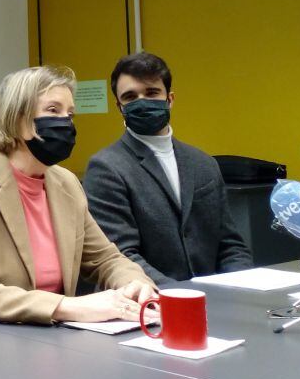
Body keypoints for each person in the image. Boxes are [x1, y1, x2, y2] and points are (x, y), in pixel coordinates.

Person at [0, 65, 157, 327]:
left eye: (70, 114)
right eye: (53, 110)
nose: (66, 123)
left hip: (44, 342)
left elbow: (106, 259)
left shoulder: (66, 183)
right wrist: (66, 306)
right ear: (17, 118)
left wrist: (135, 283)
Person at [84, 51, 252, 285]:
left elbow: (231, 245)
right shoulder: (106, 167)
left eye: (152, 93)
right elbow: (121, 255)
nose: (142, 101)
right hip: (153, 303)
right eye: (130, 97)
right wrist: (180, 297)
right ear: (119, 107)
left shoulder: (204, 163)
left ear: (170, 99)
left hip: (218, 301)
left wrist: (240, 288)